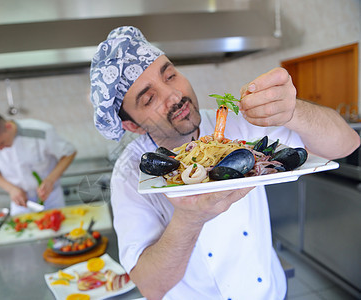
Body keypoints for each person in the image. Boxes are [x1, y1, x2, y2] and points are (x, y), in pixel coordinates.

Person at [89, 26, 360, 299]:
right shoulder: (128, 175)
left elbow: (347, 143)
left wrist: (294, 111)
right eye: (149, 99)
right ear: (131, 125)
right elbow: (151, 287)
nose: (173, 95)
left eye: (170, 75)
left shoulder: (239, 123)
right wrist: (189, 219)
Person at [0, 111, 76, 215]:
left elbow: (69, 153)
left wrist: (50, 180)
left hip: (51, 197)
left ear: (8, 126)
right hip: (20, 202)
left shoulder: (41, 131)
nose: (0, 149)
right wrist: (11, 189)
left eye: (1, 143)